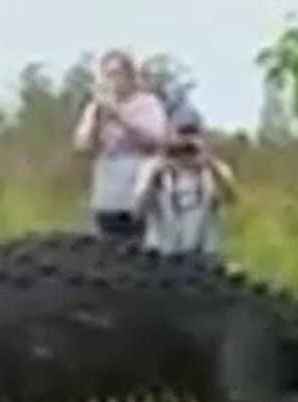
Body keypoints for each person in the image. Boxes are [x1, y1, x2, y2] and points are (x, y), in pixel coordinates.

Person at [72, 50, 169, 240]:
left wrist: (120, 119)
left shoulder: (148, 104)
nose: (112, 80)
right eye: (107, 75)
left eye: (117, 74)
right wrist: (96, 122)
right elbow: (82, 145)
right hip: (107, 187)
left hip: (139, 183)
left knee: (139, 241)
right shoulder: (96, 107)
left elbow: (157, 141)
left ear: (130, 75)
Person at [134, 121, 237, 256]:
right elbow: (137, 212)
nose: (185, 154)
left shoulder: (215, 169)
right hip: (162, 252)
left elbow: (231, 200)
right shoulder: (152, 167)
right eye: (179, 149)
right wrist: (155, 178)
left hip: (202, 251)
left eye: (191, 149)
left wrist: (211, 166)